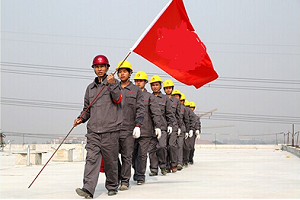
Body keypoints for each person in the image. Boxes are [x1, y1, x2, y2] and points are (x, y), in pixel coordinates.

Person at [74, 55, 122, 198]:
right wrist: (80, 119)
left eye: (102, 66)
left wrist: (112, 84)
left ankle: (112, 185)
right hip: (94, 131)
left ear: (107, 68)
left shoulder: (114, 83)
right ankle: (88, 188)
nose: (99, 69)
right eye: (97, 67)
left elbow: (118, 98)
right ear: (94, 69)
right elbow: (86, 109)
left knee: (110, 161)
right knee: (91, 159)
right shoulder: (90, 88)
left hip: (110, 131)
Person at [116, 60, 145, 191]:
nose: (122, 74)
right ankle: (116, 177)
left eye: (124, 72)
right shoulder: (113, 87)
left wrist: (138, 125)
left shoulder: (136, 90)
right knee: (111, 156)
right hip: (113, 128)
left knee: (127, 155)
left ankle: (125, 180)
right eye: (120, 72)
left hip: (128, 128)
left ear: (129, 73)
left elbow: (140, 108)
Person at [132, 71, 162, 185]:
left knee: (142, 154)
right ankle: (136, 171)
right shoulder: (130, 94)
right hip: (132, 130)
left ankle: (140, 176)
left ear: (145, 82)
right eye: (137, 81)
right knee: (132, 154)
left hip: (145, 130)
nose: (138, 83)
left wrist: (158, 126)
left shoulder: (149, 97)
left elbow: (155, 112)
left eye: (141, 81)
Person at [148, 75, 177, 176]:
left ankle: (163, 165)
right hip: (150, 128)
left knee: (161, 147)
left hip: (162, 128)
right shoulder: (148, 97)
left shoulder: (165, 99)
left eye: (157, 85)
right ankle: (154, 169)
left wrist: (170, 125)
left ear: (160, 86)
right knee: (151, 150)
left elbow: (169, 113)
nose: (155, 87)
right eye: (153, 85)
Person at [163, 80, 181, 173]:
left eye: (169, 88)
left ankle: (174, 163)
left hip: (173, 126)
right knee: (164, 146)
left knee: (171, 145)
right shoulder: (161, 98)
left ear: (172, 89)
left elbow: (178, 115)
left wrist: (179, 127)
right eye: (166, 88)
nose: (168, 90)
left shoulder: (176, 101)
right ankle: (167, 165)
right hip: (164, 125)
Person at [172, 91, 190, 171]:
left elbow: (186, 120)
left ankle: (179, 163)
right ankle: (172, 163)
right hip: (172, 128)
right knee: (172, 146)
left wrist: (187, 131)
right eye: (174, 96)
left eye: (177, 96)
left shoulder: (184, 109)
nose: (176, 98)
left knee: (179, 146)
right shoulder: (170, 105)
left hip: (181, 129)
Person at [182, 100, 196, 168]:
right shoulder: (181, 110)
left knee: (189, 147)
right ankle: (181, 161)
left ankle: (187, 159)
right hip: (182, 130)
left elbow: (194, 122)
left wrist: (192, 129)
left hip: (189, 132)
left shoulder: (194, 115)